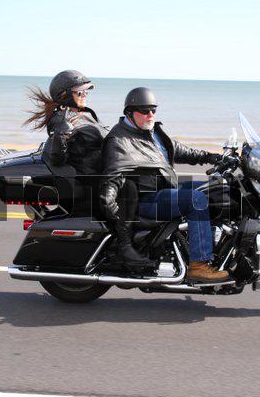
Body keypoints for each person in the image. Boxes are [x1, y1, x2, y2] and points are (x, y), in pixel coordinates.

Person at [100, 87, 230, 282]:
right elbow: (113, 175)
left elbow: (178, 149)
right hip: (148, 199)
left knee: (218, 189)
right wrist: (108, 200)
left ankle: (215, 241)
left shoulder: (151, 132)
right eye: (145, 110)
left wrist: (213, 157)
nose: (150, 115)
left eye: (153, 110)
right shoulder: (119, 140)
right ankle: (199, 265)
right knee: (196, 200)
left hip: (166, 190)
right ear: (129, 113)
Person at [24, 70, 145, 265]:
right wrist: (61, 135)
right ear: (65, 95)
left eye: (86, 91)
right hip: (90, 178)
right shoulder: (62, 119)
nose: (85, 95)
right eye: (80, 92)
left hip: (105, 169)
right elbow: (57, 158)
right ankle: (125, 245)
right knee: (130, 187)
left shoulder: (84, 113)